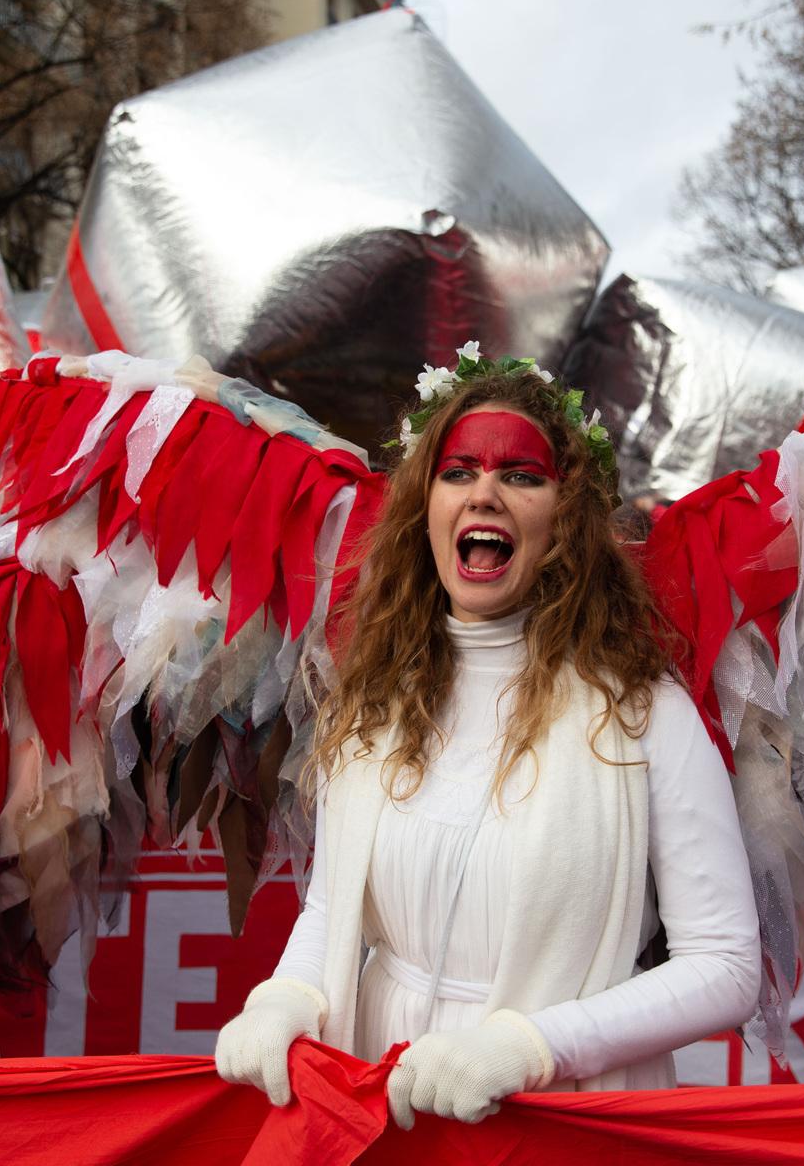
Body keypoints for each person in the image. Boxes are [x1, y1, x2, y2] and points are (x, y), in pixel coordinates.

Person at [216, 352, 759, 1127]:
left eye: (522, 476)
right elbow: (334, 910)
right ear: (426, 506)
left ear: (566, 521)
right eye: (459, 471)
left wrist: (533, 1047)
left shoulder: (644, 715)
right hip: (384, 1098)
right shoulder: (375, 700)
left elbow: (727, 966)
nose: (485, 493)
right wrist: (289, 997)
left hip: (559, 1114)